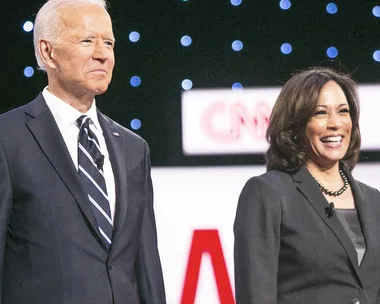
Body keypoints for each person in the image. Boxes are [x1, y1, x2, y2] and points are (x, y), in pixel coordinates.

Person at [0, 0, 166, 303]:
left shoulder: (133, 148)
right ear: (47, 51)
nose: (102, 54)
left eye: (109, 43)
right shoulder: (7, 138)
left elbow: (146, 265)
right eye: (87, 41)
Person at [234, 67, 380, 304]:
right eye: (320, 113)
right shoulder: (269, 193)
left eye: (343, 111)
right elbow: (255, 294)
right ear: (295, 125)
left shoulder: (374, 201)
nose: (335, 123)